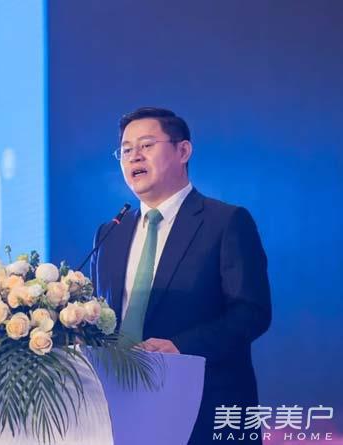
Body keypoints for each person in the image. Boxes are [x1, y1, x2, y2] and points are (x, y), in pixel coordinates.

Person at [90, 107, 272, 444]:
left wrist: (181, 347)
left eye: (146, 145)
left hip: (204, 407)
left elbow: (252, 312)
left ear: (183, 150)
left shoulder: (225, 222)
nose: (134, 157)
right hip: (121, 411)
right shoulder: (110, 233)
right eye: (126, 150)